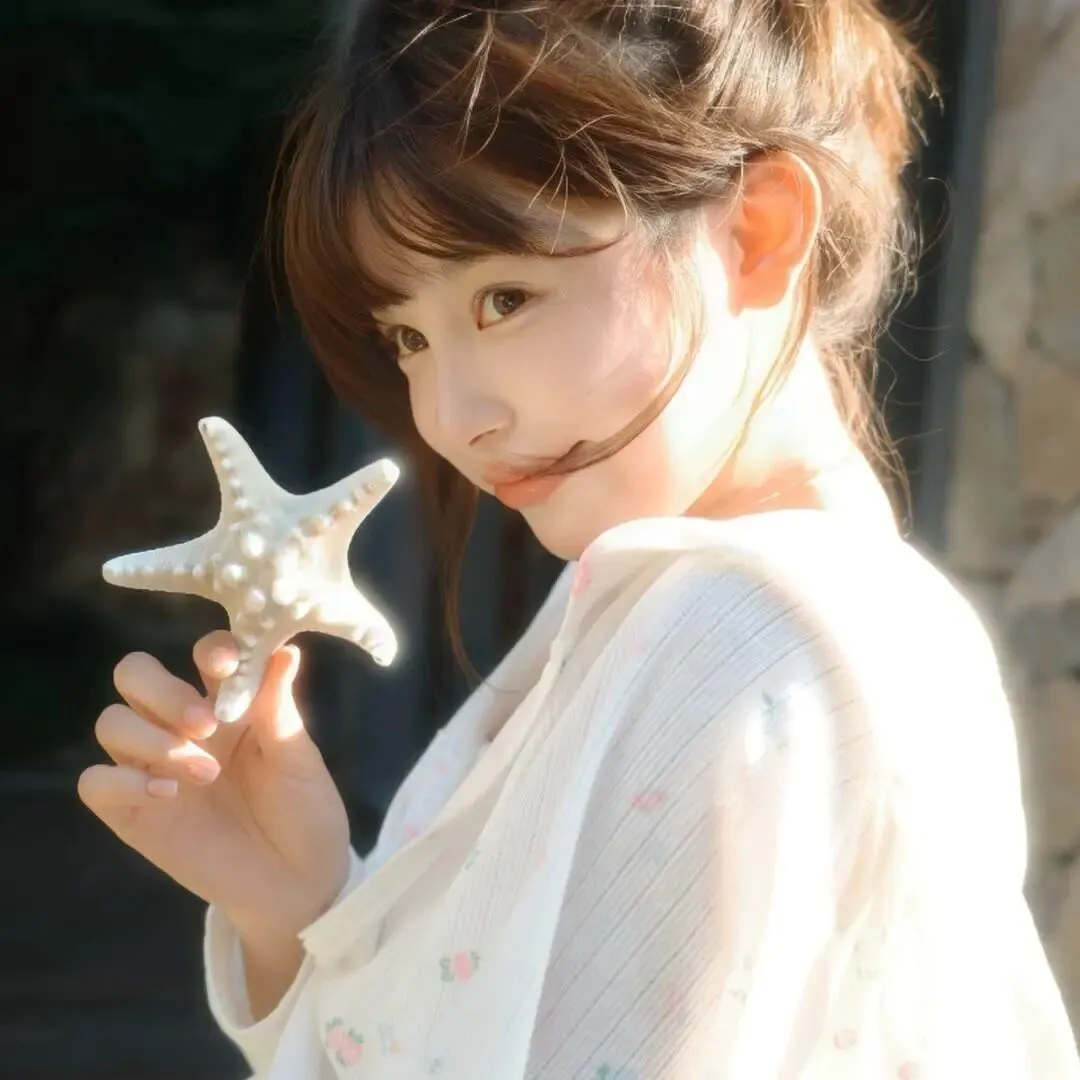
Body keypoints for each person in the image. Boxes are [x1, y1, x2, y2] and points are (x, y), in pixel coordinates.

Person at [79, 1, 1080, 1077]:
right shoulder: (770, 610)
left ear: (757, 232)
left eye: (505, 297)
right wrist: (299, 911)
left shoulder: (741, 626)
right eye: (407, 334)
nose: (451, 416)